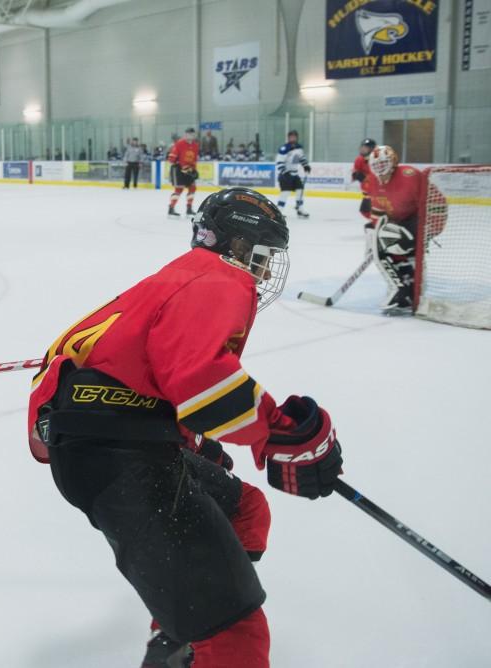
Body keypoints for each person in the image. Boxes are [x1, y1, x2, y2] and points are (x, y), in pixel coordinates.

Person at [27, 186, 343, 668]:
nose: (265, 269)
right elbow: (199, 380)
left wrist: (180, 435)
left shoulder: (176, 276)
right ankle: (203, 638)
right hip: (119, 460)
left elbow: (83, 370)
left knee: (246, 510)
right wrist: (279, 434)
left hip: (116, 446)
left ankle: (179, 638)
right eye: (264, 255)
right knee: (237, 635)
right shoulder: (219, 280)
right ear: (238, 247)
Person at [362, 145, 446, 314]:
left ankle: (406, 288)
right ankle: (406, 284)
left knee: (391, 238)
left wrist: (430, 229)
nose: (380, 169)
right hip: (401, 222)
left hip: (422, 220)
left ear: (393, 162)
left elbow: (437, 201)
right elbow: (378, 211)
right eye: (376, 165)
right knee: (379, 242)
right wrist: (372, 236)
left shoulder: (410, 176)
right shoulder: (373, 181)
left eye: (383, 163)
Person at [275, 130, 311, 219]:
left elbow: (301, 158)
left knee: (300, 191)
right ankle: (278, 212)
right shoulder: (284, 148)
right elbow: (279, 162)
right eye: (291, 137)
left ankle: (300, 209)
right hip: (285, 175)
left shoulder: (299, 147)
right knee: (285, 193)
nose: (293, 138)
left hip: (295, 174)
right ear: (288, 138)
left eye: (294, 137)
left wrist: (305, 165)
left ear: (297, 138)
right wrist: (284, 172)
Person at [166, 128, 200, 217]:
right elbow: (171, 159)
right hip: (178, 169)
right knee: (179, 189)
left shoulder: (196, 146)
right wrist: (180, 165)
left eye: (192, 134)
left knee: (192, 188)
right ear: (185, 135)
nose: (190, 136)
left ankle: (189, 208)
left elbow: (194, 159)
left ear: (194, 135)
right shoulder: (179, 144)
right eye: (188, 134)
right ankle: (171, 208)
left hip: (189, 169)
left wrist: (194, 170)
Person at [351, 138, 376, 220]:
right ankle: (376, 222)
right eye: (362, 147)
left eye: (365, 147)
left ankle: (377, 223)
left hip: (377, 192)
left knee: (373, 210)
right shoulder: (359, 159)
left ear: (372, 149)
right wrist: (356, 175)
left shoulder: (377, 158)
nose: (362, 149)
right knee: (365, 211)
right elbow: (355, 173)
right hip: (367, 191)